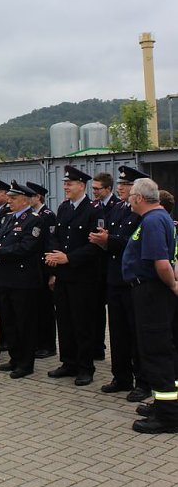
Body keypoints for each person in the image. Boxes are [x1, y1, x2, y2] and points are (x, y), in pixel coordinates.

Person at [122, 178, 178, 434]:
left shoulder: (154, 221)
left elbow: (162, 263)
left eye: (131, 194)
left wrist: (173, 286)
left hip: (152, 293)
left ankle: (168, 417)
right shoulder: (158, 218)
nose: (129, 198)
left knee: (157, 353)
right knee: (159, 351)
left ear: (140, 198)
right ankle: (163, 403)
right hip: (151, 292)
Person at [89, 166, 149, 402]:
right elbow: (113, 239)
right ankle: (121, 376)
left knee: (136, 333)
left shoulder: (140, 213)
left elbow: (130, 242)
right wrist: (103, 240)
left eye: (126, 185)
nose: (122, 188)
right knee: (117, 332)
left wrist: (108, 240)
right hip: (115, 278)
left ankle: (142, 381)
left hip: (132, 281)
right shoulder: (118, 209)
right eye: (121, 185)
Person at [0, 182, 43, 378]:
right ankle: (15, 357)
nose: (9, 201)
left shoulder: (34, 220)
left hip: (23, 280)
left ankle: (26, 363)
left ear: (25, 200)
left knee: (24, 322)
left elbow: (25, 248)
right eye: (10, 198)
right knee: (10, 321)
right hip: (5, 278)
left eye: (13, 199)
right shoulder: (8, 219)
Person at [45, 166, 102, 386]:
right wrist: (55, 254)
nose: (66, 187)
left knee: (82, 322)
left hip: (83, 276)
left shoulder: (94, 210)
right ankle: (68, 362)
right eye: (65, 184)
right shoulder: (64, 208)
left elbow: (95, 246)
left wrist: (68, 257)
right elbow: (55, 237)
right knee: (65, 321)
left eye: (69, 184)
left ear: (81, 185)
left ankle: (85, 367)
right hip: (64, 276)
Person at [26, 182, 58, 359]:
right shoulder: (31, 216)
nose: (28, 199)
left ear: (38, 197)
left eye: (30, 196)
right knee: (36, 308)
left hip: (45, 267)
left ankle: (48, 345)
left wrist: (52, 273)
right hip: (33, 268)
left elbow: (51, 243)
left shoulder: (47, 215)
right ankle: (39, 342)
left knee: (46, 308)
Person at [91, 171, 118, 361]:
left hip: (112, 262)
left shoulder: (116, 206)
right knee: (96, 308)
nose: (94, 192)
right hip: (96, 265)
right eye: (92, 188)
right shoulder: (94, 206)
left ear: (108, 189)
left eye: (97, 189)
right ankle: (97, 346)